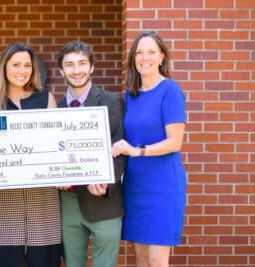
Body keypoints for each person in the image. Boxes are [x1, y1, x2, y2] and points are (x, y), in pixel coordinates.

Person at [0, 42, 61, 267]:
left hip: (42, 199)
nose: (22, 71)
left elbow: (55, 145)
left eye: (27, 65)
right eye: (15, 65)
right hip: (0, 200)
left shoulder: (46, 100)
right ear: (4, 67)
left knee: (44, 260)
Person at [111, 31, 186, 266]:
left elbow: (175, 141)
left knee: (156, 261)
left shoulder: (170, 90)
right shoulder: (130, 96)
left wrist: (137, 150)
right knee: (141, 259)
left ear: (162, 57)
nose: (145, 57)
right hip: (135, 186)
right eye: (140, 52)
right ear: (133, 58)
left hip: (163, 186)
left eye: (151, 52)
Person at [56, 41, 125, 267]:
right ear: (61, 71)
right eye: (70, 65)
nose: (76, 70)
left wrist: (107, 181)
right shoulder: (54, 109)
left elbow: (120, 149)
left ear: (92, 67)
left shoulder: (112, 102)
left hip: (104, 200)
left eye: (82, 63)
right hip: (69, 202)